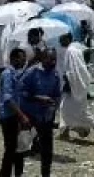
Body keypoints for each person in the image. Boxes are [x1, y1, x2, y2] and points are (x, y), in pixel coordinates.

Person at [16, 47, 62, 177]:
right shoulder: (32, 72)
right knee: (21, 148)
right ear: (42, 58)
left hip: (46, 117)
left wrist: (53, 105)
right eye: (50, 59)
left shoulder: (55, 75)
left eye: (54, 60)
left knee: (47, 150)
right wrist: (38, 98)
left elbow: (57, 95)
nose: (53, 62)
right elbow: (21, 92)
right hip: (29, 114)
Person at [57, 32, 94, 141]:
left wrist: (69, 81)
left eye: (62, 39)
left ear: (68, 39)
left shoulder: (71, 51)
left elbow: (74, 70)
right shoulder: (74, 49)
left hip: (73, 85)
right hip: (76, 85)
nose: (60, 41)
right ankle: (65, 132)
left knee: (77, 111)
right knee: (66, 109)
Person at [0, 48, 29, 177]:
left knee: (17, 149)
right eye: (22, 59)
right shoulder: (8, 74)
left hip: (13, 116)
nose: (24, 61)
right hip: (8, 116)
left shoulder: (15, 73)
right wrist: (22, 116)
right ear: (14, 59)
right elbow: (8, 99)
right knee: (10, 149)